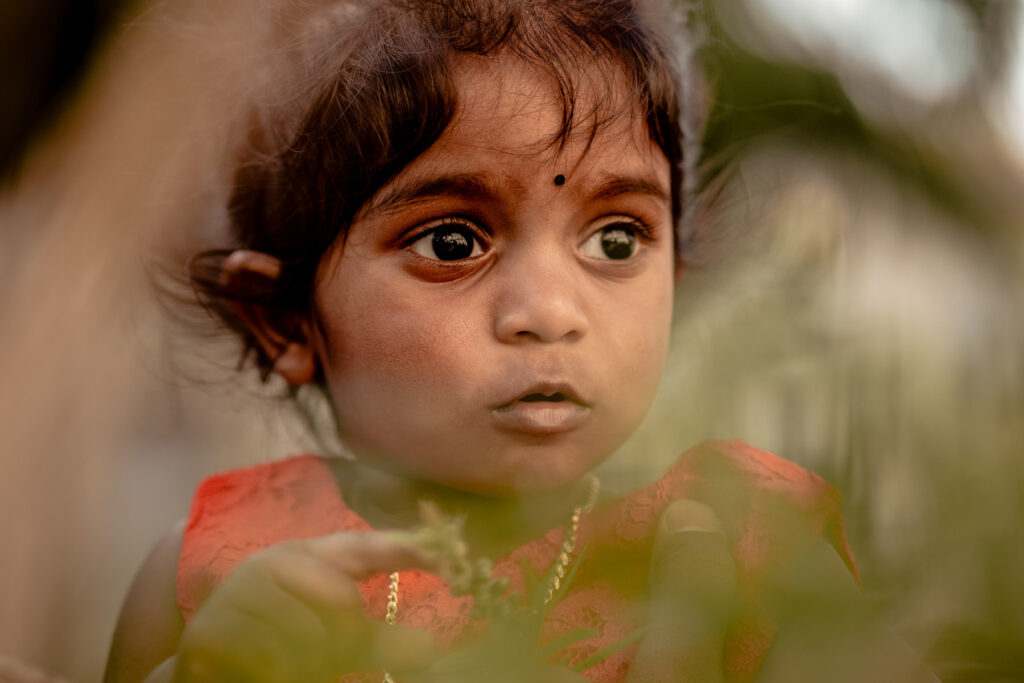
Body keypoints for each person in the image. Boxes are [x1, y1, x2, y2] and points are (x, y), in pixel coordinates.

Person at [104, 0, 938, 681]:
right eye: (453, 243)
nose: (550, 310)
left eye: (615, 240)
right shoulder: (211, 571)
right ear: (284, 319)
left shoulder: (737, 547)